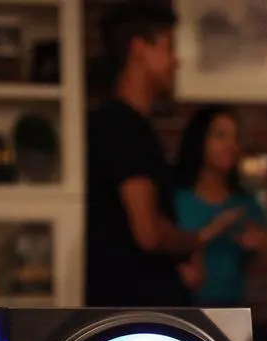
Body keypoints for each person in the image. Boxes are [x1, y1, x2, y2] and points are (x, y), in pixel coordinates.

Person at [85, 3, 239, 307]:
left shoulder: (128, 125)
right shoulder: (122, 125)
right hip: (134, 312)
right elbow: (149, 232)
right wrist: (196, 241)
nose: (176, 61)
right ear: (139, 49)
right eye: (168, 48)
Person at [174, 106, 267, 306]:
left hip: (234, 308)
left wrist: (264, 245)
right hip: (181, 308)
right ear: (200, 141)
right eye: (221, 136)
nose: (231, 145)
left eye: (236, 138)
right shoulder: (176, 199)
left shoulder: (246, 205)